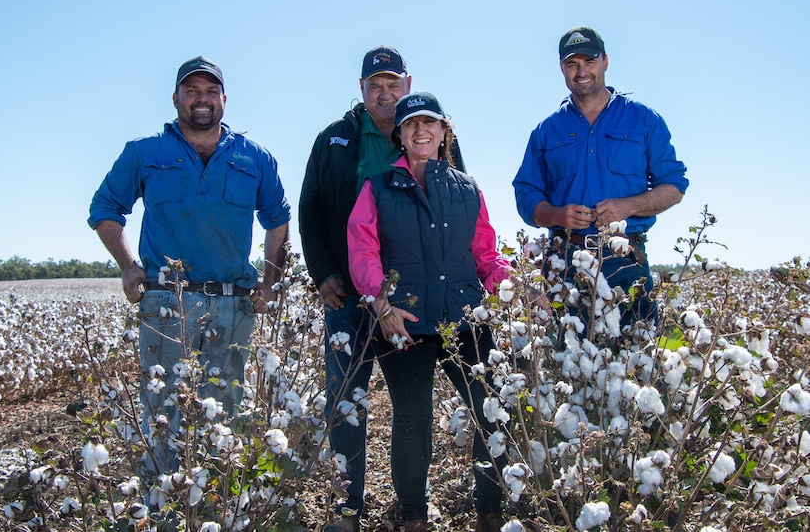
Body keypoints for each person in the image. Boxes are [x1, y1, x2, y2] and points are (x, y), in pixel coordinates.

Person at [348, 93, 549, 532]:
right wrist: (383, 306)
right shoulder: (377, 188)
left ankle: (490, 513)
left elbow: (486, 255)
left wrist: (521, 287)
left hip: (465, 318)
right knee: (413, 414)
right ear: (399, 135)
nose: (420, 131)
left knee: (492, 407)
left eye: (429, 123)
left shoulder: (468, 189)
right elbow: (363, 252)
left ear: (444, 131)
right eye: (410, 124)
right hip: (405, 320)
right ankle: (414, 517)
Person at [88, 55, 290, 476]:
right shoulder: (145, 153)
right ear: (176, 98)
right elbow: (105, 208)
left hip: (233, 305)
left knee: (225, 409)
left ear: (224, 99)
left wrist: (270, 281)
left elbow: (278, 220)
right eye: (192, 91)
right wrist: (128, 265)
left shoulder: (253, 157)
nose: (202, 99)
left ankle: (215, 509)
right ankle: (164, 507)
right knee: (164, 410)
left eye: (211, 91)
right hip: (166, 303)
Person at [299, 46, 465, 532]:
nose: (385, 93)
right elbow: (310, 209)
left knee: (412, 404)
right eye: (376, 86)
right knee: (346, 399)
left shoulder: (430, 134)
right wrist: (323, 271)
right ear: (362, 89)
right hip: (348, 297)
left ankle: (412, 506)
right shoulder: (333, 139)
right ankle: (347, 507)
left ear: (407, 86)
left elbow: (458, 206)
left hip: (409, 304)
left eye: (394, 85)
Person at [513, 27, 689, 326]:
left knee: (638, 361)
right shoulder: (546, 130)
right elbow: (525, 195)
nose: (582, 71)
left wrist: (628, 207)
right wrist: (557, 215)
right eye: (572, 64)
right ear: (562, 69)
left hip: (627, 262)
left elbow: (674, 186)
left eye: (589, 62)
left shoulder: (644, 120)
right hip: (564, 262)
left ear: (605, 61)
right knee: (564, 361)